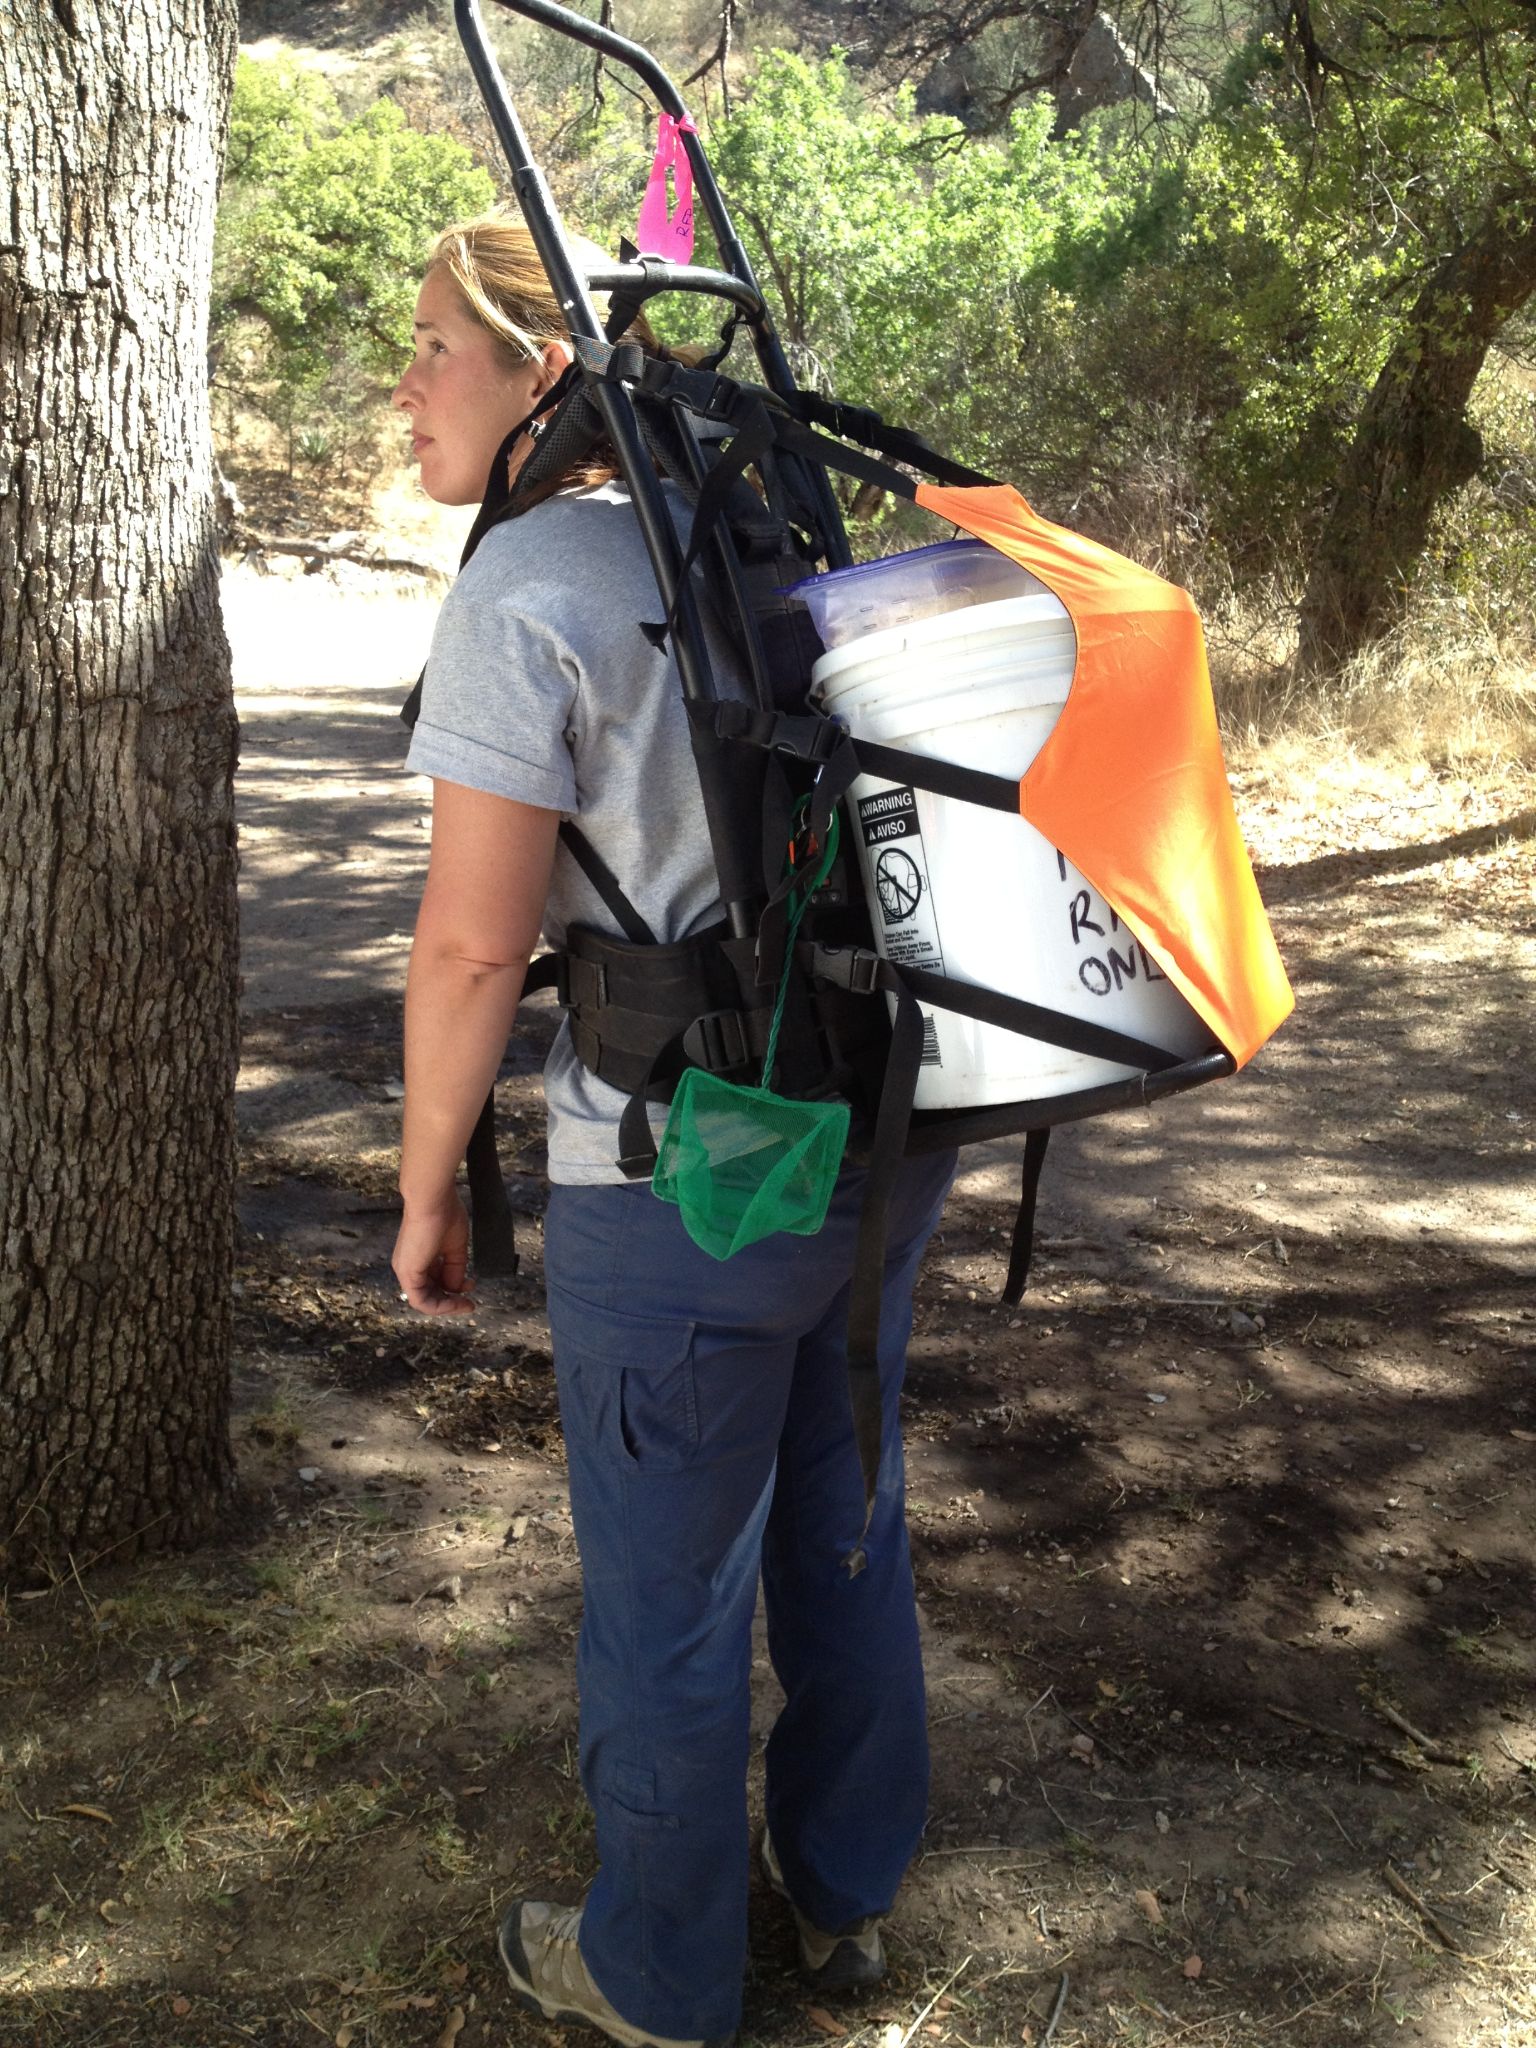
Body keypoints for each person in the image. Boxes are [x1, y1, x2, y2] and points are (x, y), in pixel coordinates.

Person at [390, 209, 956, 2048]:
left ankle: (657, 1972)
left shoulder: (528, 588)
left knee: (670, 1599)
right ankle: (845, 1894)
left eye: (433, 354)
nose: (403, 391)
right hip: (876, 1133)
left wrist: (422, 1188)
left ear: (541, 375)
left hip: (685, 1179)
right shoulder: (767, 531)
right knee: (845, 1524)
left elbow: (477, 943)